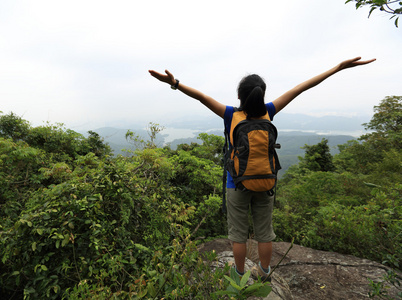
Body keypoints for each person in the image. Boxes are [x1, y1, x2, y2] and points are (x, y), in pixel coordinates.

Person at [148, 56, 375, 282]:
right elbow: (301, 88)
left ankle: (238, 277)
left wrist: (174, 83)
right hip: (266, 180)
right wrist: (337, 68)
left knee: (239, 235)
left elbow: (201, 97)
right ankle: (264, 272)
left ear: (239, 95)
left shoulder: (230, 114)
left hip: (235, 182)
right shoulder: (269, 111)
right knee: (264, 233)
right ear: (262, 94)